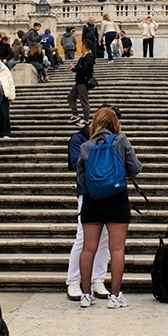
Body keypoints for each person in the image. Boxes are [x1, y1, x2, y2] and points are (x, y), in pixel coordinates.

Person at [75, 107, 143, 308]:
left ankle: (85, 295)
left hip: (93, 200)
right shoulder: (121, 141)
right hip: (116, 198)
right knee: (117, 248)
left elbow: (80, 176)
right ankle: (114, 296)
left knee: (88, 248)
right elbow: (136, 167)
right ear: (115, 123)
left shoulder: (86, 145)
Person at [66, 114, 110, 301]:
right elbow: (76, 164)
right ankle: (73, 280)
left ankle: (98, 279)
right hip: (87, 192)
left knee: (105, 239)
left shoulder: (114, 140)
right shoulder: (79, 138)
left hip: (109, 193)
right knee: (82, 237)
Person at [67, 41, 96, 126]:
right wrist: (74, 67)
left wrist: (74, 69)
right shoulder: (82, 57)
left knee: (84, 101)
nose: (80, 47)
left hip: (83, 82)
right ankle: (75, 114)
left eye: (82, 45)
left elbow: (84, 69)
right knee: (71, 97)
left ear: (85, 46)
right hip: (78, 82)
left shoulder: (89, 57)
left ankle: (86, 119)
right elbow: (78, 67)